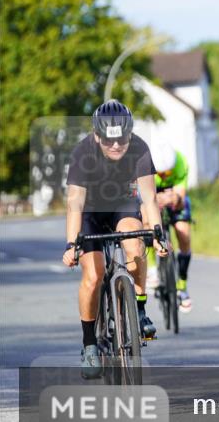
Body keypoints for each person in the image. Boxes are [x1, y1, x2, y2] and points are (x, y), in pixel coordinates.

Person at [61, 99, 167, 379]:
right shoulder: (83, 152)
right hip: (89, 211)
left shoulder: (139, 148)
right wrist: (72, 244)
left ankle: (139, 309)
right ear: (97, 136)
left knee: (135, 246)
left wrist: (158, 234)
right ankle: (89, 344)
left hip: (122, 204)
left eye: (122, 139)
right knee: (94, 275)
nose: (117, 145)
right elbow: (75, 203)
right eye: (109, 140)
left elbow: (149, 198)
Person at [149, 140, 194, 311]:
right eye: (161, 173)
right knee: (147, 221)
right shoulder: (146, 166)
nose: (164, 176)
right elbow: (143, 196)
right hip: (152, 193)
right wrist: (155, 201)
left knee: (183, 231)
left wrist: (174, 198)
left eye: (168, 172)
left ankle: (182, 285)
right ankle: (152, 268)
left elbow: (180, 198)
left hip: (174, 194)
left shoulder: (180, 162)